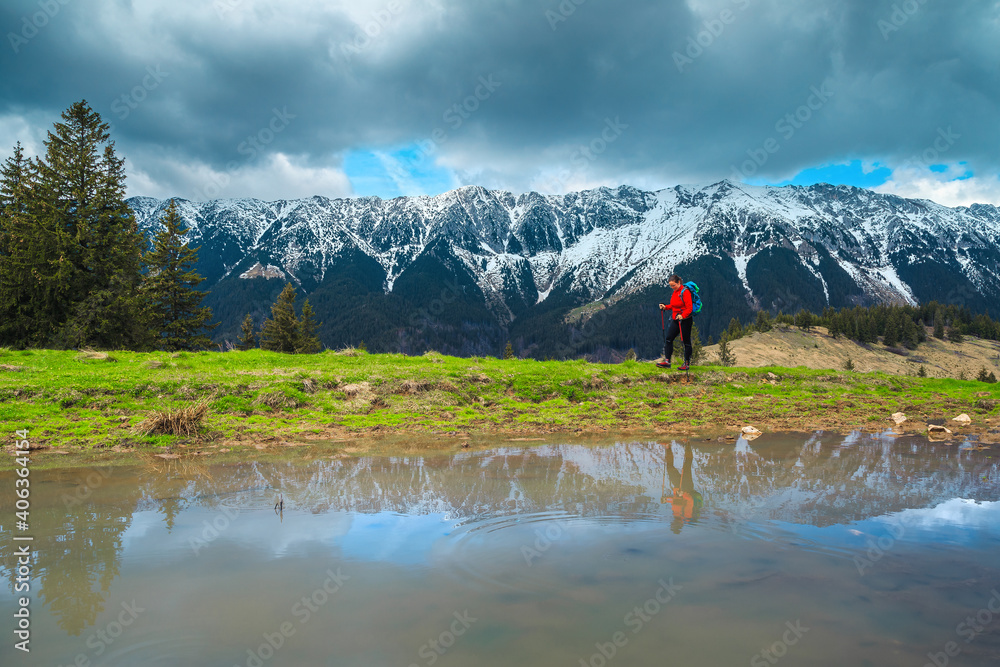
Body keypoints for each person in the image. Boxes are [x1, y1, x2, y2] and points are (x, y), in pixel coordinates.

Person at [657, 274, 693, 370]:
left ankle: (686, 363)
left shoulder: (685, 292)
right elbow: (674, 306)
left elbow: (689, 308)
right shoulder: (675, 292)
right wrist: (666, 307)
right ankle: (667, 361)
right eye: (671, 286)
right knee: (669, 339)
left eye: (673, 285)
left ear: (679, 283)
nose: (672, 287)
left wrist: (683, 315)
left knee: (686, 342)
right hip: (676, 319)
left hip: (685, 320)